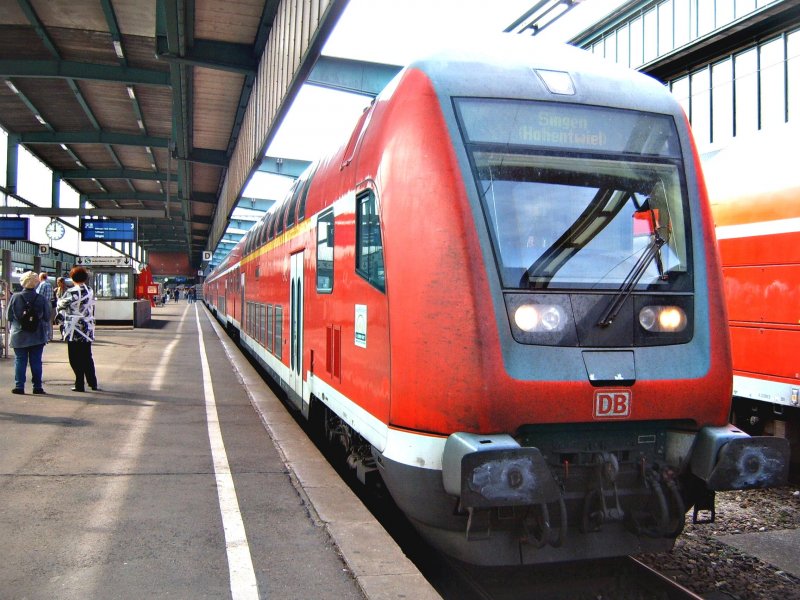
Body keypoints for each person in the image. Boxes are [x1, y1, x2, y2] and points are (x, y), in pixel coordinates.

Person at [7, 271, 51, 394]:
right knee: (36, 361)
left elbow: (8, 316)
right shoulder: (41, 298)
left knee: (20, 361)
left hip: (19, 335)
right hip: (37, 335)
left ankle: (19, 387)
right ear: (36, 283)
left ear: (22, 282)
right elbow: (47, 317)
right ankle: (37, 387)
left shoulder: (15, 297)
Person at [57, 266, 98, 392]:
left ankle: (79, 383)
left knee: (74, 357)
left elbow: (61, 304)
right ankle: (92, 382)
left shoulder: (71, 292)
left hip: (74, 329)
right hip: (87, 328)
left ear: (72, 277)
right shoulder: (90, 290)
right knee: (87, 356)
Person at [36, 272, 55, 341]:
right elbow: (52, 296)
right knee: (49, 320)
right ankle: (50, 336)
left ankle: (44, 336)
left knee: (42, 319)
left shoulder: (42, 284)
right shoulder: (50, 285)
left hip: (43, 303)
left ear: (41, 277)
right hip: (49, 303)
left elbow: (39, 295)